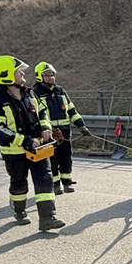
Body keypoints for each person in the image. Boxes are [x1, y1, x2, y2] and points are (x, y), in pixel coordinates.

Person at [0, 55, 65, 231]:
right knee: (19, 184)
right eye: (18, 71)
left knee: (45, 180)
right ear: (7, 75)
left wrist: (46, 128)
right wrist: (24, 140)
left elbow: (42, 113)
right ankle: (19, 210)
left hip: (38, 149)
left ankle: (47, 218)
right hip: (15, 153)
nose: (22, 73)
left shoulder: (30, 93)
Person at [33, 61, 91, 194]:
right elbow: (37, 115)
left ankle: (67, 182)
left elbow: (72, 110)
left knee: (66, 157)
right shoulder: (35, 93)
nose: (51, 77)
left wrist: (81, 126)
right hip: (49, 133)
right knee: (52, 159)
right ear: (39, 76)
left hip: (65, 131)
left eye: (52, 74)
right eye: (47, 75)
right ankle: (55, 184)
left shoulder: (60, 91)